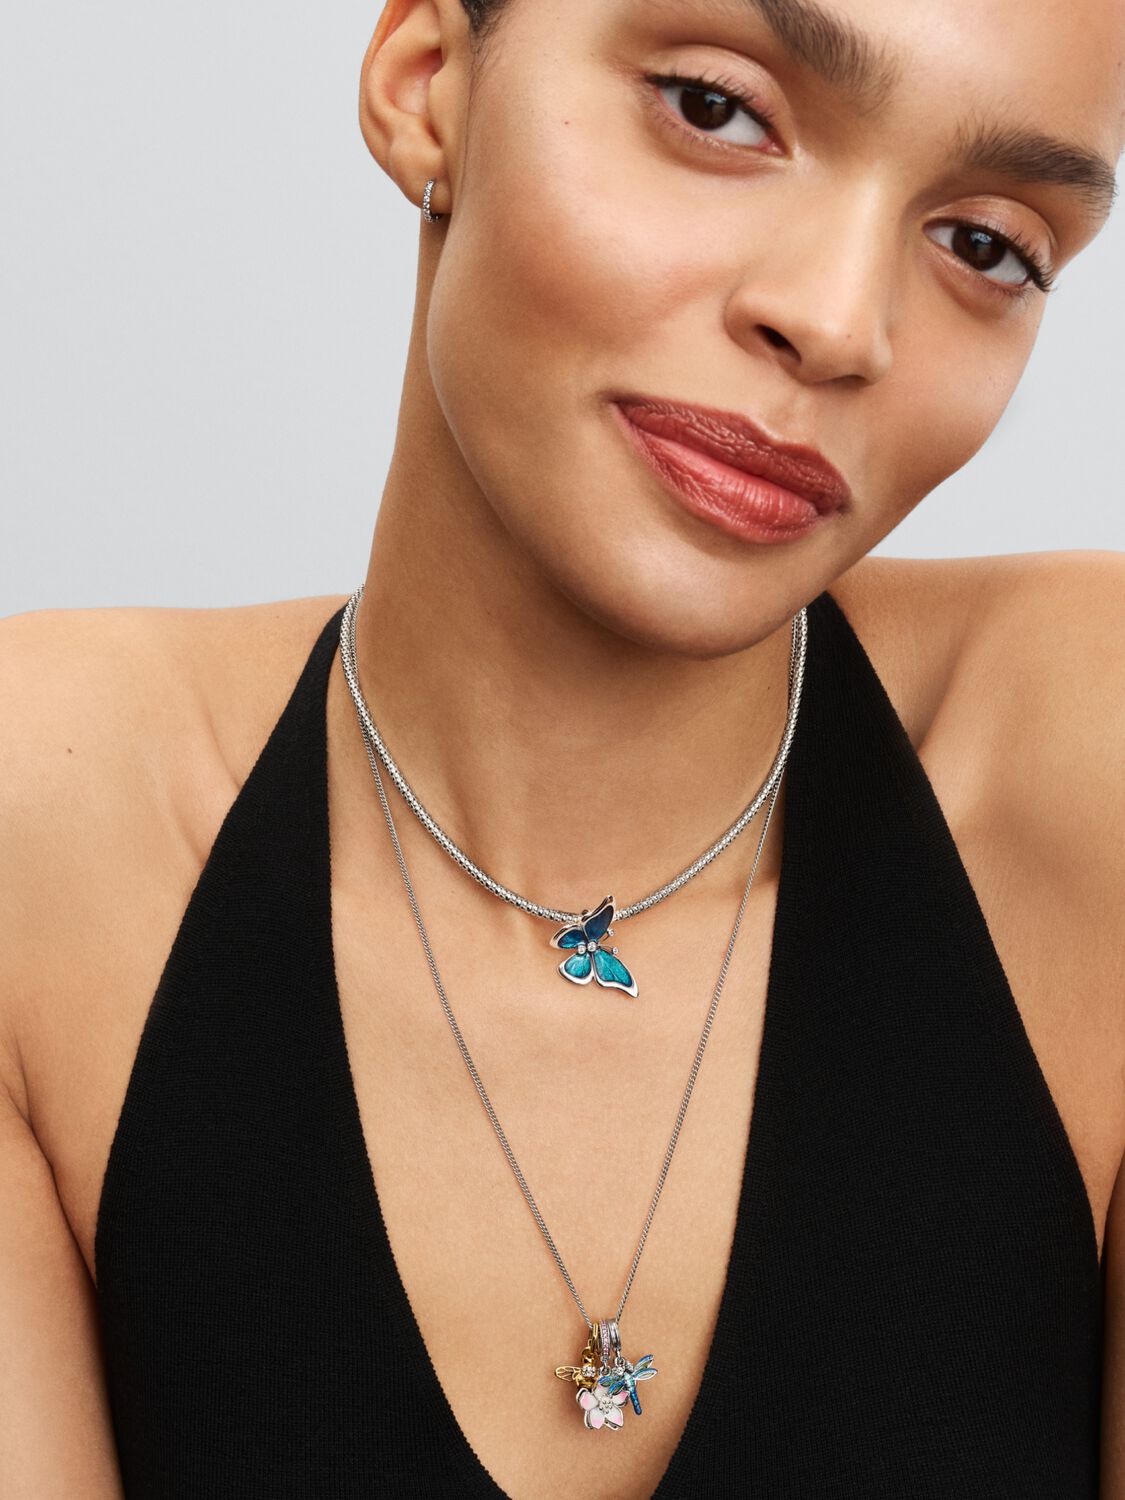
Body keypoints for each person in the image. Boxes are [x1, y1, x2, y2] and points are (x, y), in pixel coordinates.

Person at [2, 0, 1124, 1494]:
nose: (839, 321)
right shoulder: (50, 821)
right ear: (427, 84)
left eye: (985, 244)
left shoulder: (1085, 761)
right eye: (716, 109)